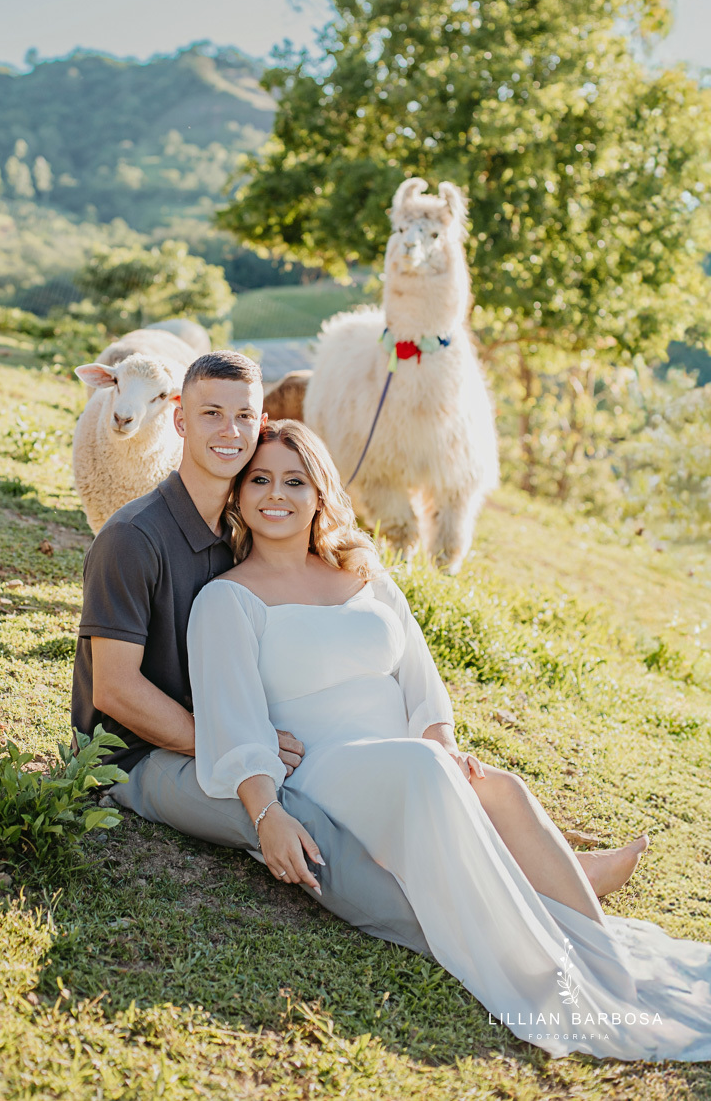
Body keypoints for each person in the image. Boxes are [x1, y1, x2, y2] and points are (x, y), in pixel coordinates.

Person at [187, 419, 711, 1061]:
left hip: (410, 756)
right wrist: (265, 811)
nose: (277, 494)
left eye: (295, 480)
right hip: (328, 767)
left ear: (320, 493)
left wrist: (442, 740)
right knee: (421, 768)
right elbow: (233, 718)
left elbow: (420, 677)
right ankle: (544, 955)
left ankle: (605, 970)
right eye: (260, 480)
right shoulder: (226, 601)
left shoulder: (364, 576)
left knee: (498, 787)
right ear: (237, 496)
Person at [71, 349, 431, 953]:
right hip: (131, 760)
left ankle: (504, 884)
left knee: (343, 777)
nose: (230, 431)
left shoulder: (243, 532)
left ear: (261, 422)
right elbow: (115, 689)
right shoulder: (133, 538)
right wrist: (243, 748)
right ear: (180, 419)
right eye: (212, 413)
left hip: (229, 731)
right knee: (281, 809)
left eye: (244, 415)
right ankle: (440, 928)